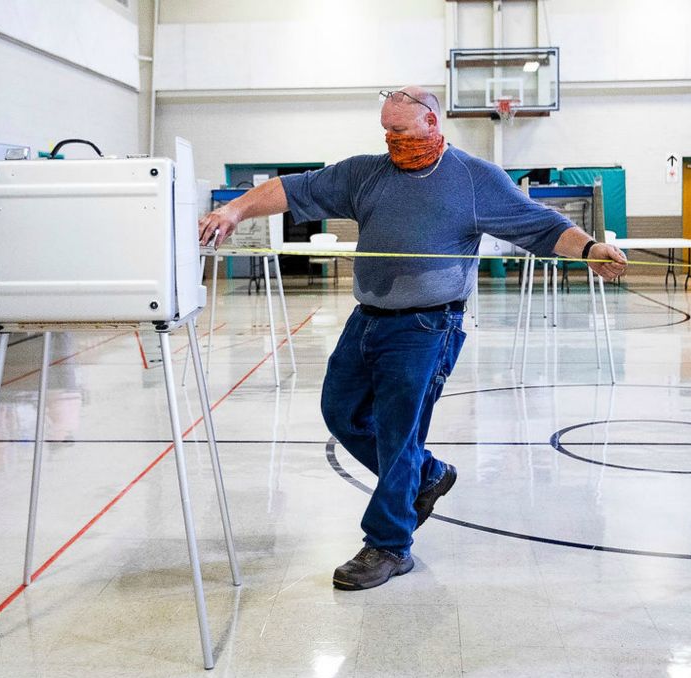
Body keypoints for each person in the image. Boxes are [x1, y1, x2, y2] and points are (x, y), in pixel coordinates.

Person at [198, 86, 627, 590]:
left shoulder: (473, 178)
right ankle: (426, 475)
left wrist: (591, 249)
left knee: (398, 433)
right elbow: (295, 189)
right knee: (340, 411)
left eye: (399, 130)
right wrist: (235, 211)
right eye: (385, 130)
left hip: (427, 326)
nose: (391, 140)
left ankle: (389, 544)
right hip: (368, 317)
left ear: (431, 122)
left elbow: (539, 225)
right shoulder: (365, 172)